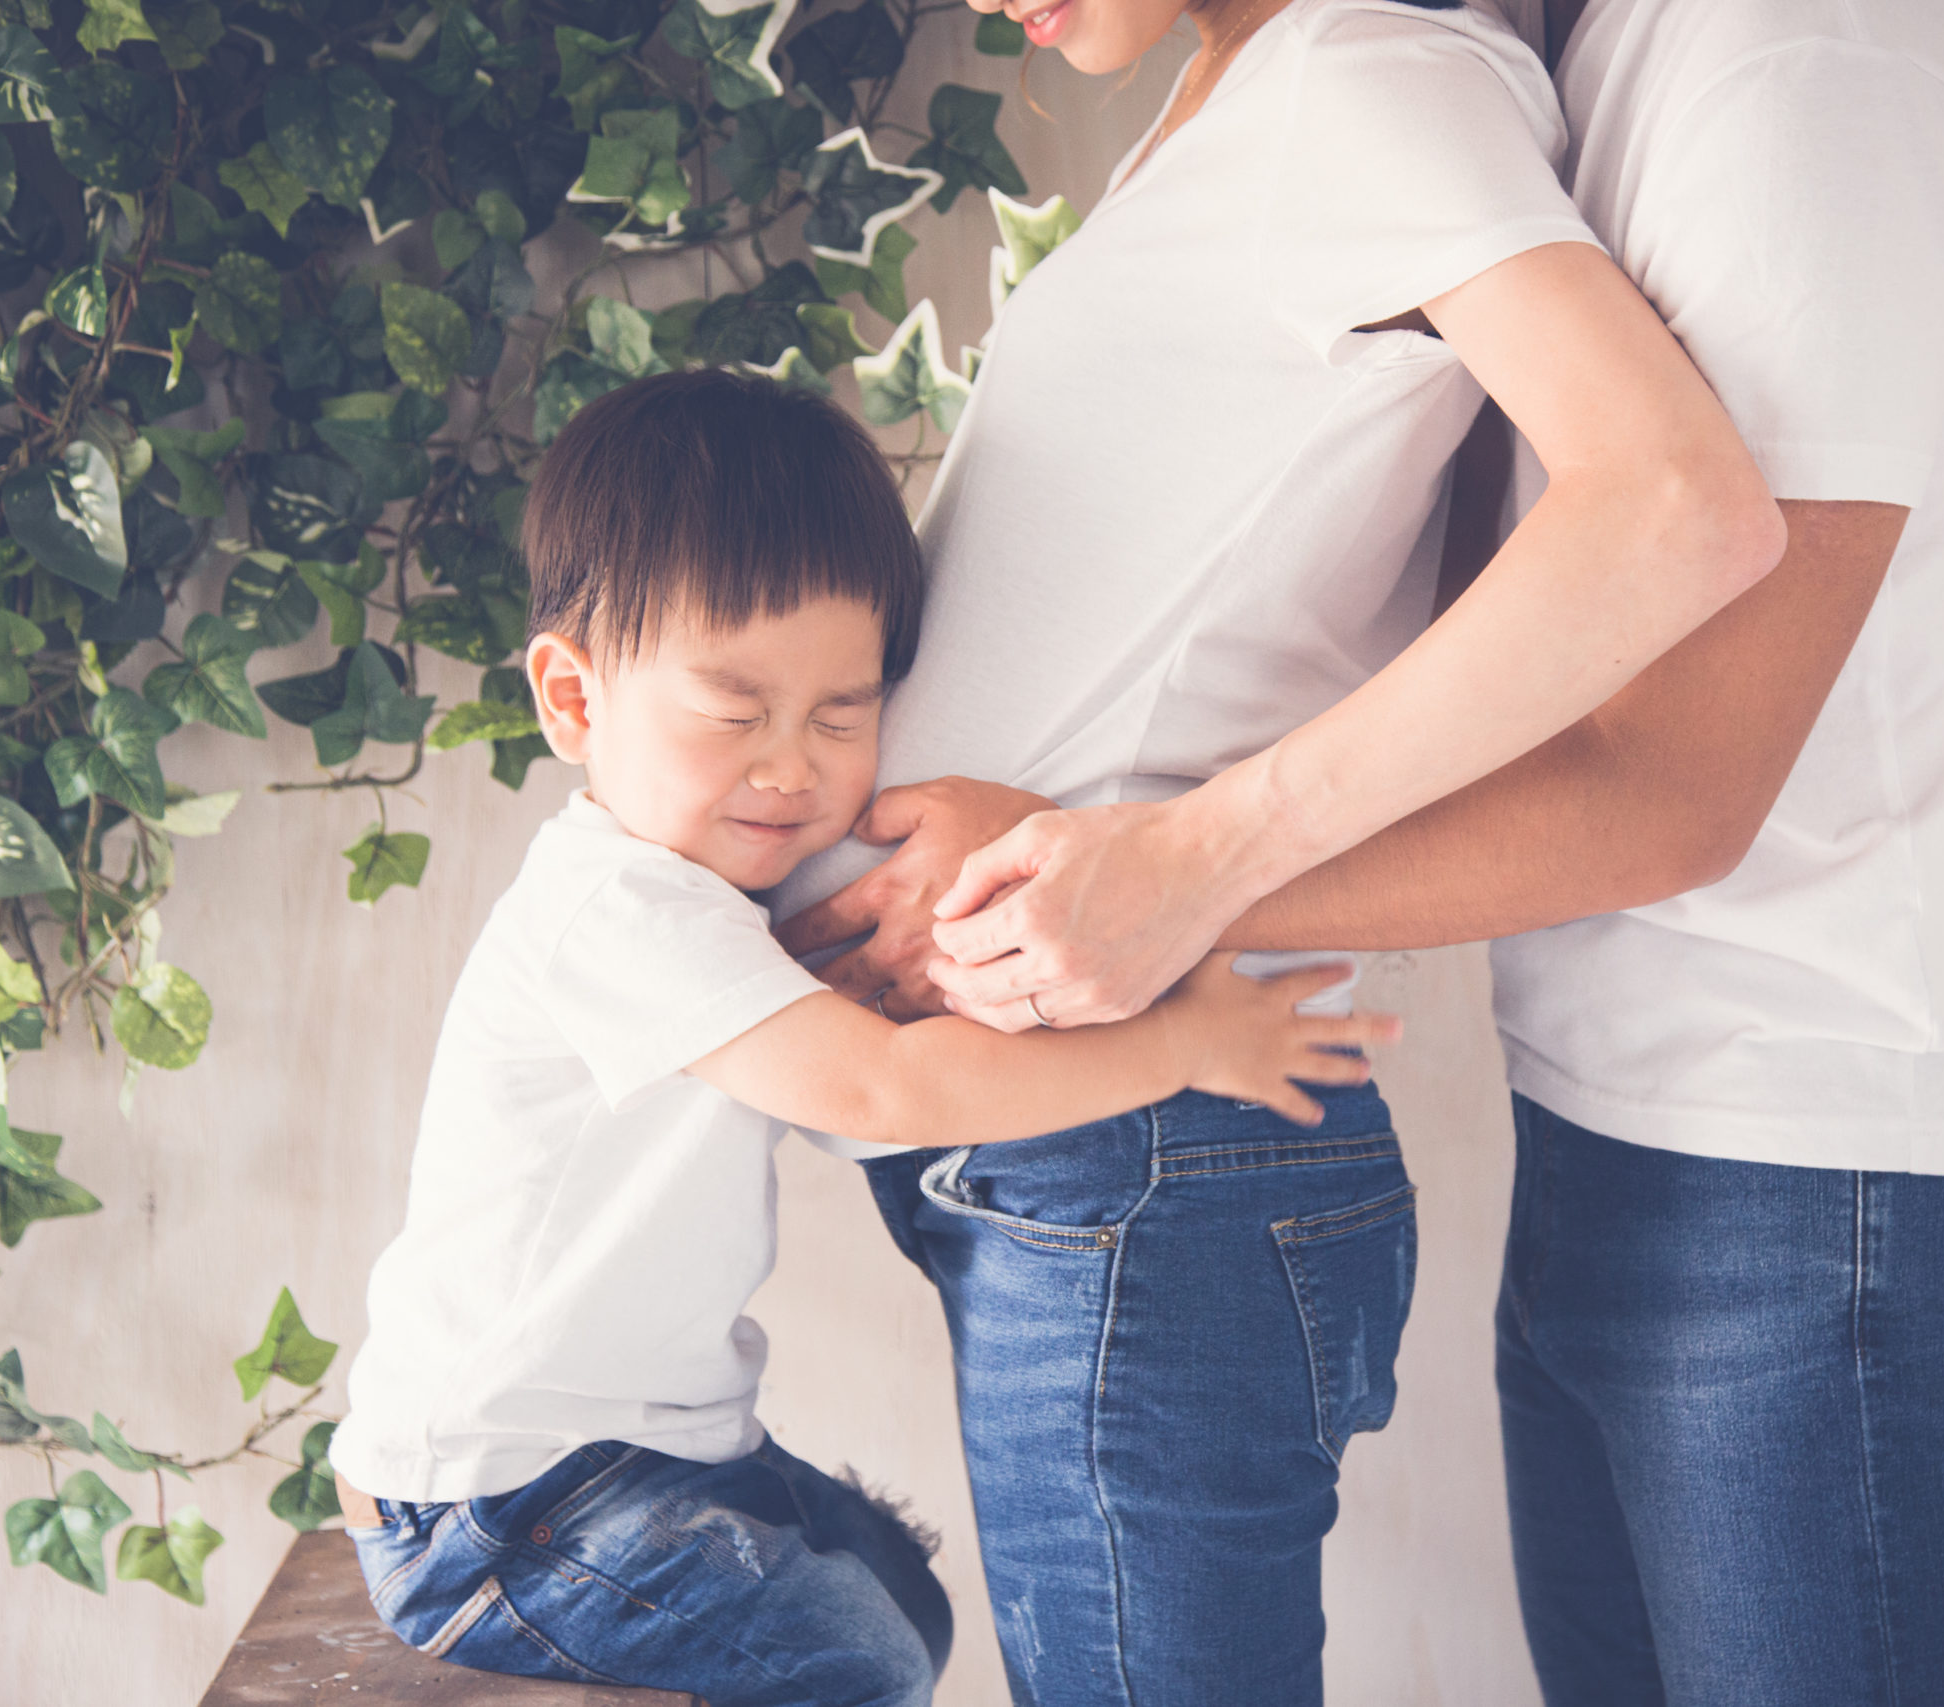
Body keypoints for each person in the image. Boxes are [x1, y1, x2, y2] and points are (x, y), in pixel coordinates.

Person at [805, 0, 1944, 1699]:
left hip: (1830, 1156)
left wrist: (1158, 878)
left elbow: (1674, 684)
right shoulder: (1444, 65)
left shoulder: (1778, 61)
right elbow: (1413, 596)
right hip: (1607, 1111)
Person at [326, 371, 1396, 1707]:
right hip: (499, 1497)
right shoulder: (614, 909)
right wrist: (1187, 1045)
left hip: (647, 1453)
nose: (792, 767)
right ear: (574, 699)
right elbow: (884, 1090)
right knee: (859, 1659)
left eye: (842, 714)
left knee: (905, 1596)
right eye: (735, 714)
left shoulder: (713, 901)